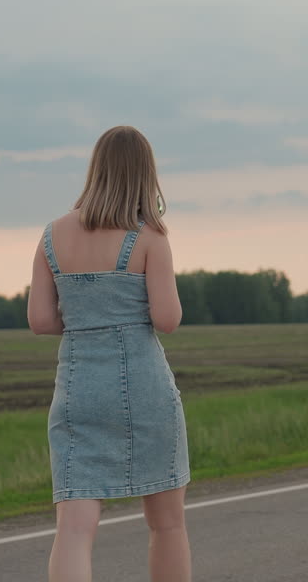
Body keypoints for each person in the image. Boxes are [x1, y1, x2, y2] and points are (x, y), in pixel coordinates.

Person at [27, 125, 191, 582]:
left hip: (79, 387)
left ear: (95, 170)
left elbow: (40, 321)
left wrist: (86, 320)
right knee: (167, 523)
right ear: (145, 176)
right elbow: (167, 318)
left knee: (75, 529)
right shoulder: (150, 238)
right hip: (144, 386)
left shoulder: (51, 236)